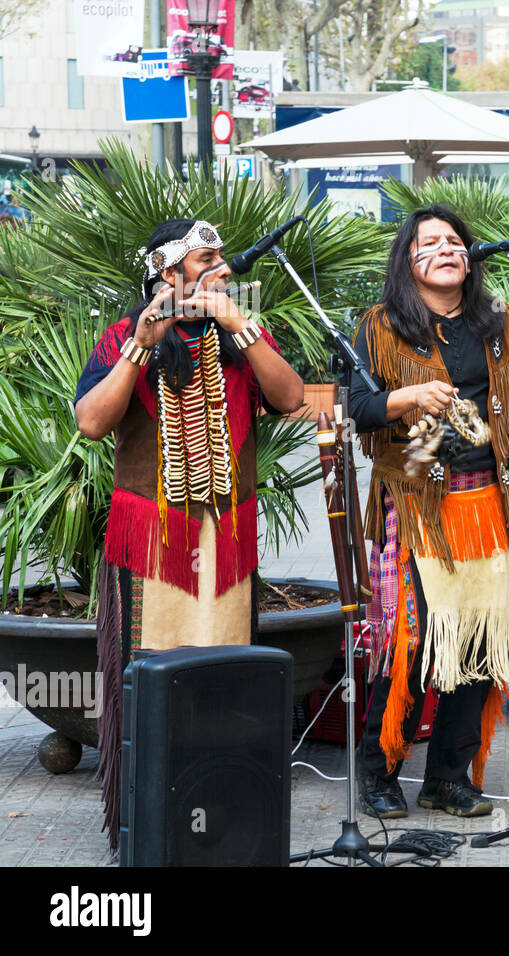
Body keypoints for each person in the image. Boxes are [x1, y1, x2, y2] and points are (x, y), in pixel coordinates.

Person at [74, 218, 304, 848]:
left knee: (224, 677)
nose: (226, 268)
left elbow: (287, 397)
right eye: (210, 257)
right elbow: (92, 422)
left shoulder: (243, 337)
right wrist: (140, 346)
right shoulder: (122, 336)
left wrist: (242, 327)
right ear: (170, 273)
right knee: (151, 677)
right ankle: (148, 823)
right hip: (152, 545)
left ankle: (224, 815)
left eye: (225, 257)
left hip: (223, 543)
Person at [349, 205, 509, 819]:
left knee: (479, 640)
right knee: (412, 636)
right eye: (430, 242)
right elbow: (360, 410)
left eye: (455, 241)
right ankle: (379, 771)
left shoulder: (496, 324)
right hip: (416, 478)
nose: (446, 249)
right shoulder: (380, 325)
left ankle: (448, 778)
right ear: (408, 259)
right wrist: (406, 396)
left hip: (484, 494)